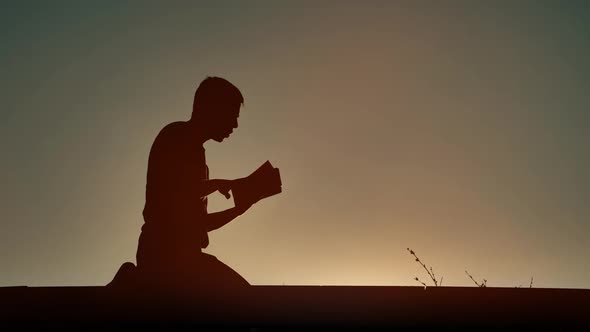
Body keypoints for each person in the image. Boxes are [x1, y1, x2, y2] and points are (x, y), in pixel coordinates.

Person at [135, 76, 253, 291]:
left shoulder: (196, 152)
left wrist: (237, 209)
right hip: (167, 259)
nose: (235, 125)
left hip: (182, 258)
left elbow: (198, 223)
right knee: (245, 299)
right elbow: (177, 198)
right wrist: (220, 188)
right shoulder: (176, 136)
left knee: (243, 296)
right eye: (231, 115)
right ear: (211, 109)